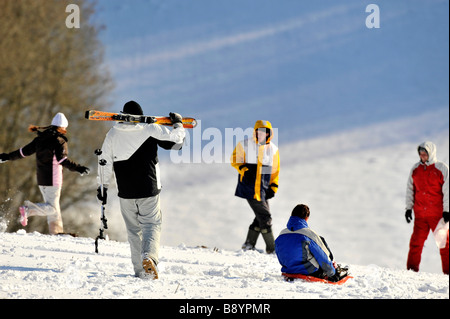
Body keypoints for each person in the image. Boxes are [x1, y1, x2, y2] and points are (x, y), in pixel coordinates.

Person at [97, 101, 185, 279]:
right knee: (151, 225)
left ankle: (140, 271)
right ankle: (149, 257)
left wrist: (103, 187)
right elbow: (177, 143)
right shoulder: (150, 130)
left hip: (126, 192)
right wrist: (178, 124)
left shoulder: (113, 134)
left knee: (133, 231)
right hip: (148, 189)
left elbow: (104, 162)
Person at [0, 113, 89, 234]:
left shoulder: (39, 139)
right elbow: (62, 160)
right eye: (65, 127)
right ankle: (29, 210)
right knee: (52, 209)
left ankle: (57, 233)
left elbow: (23, 152)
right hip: (53, 179)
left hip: (41, 179)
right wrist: (79, 168)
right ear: (61, 127)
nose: (66, 130)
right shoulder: (59, 141)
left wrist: (6, 157)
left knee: (54, 208)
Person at [230, 120, 280, 253]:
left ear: (269, 133)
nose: (261, 134)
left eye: (265, 132)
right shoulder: (245, 144)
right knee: (265, 216)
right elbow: (234, 159)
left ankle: (248, 244)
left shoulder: (273, 150)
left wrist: (273, 187)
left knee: (261, 216)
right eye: (259, 131)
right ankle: (272, 248)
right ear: (255, 132)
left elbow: (274, 171)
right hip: (249, 188)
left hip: (262, 189)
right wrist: (244, 170)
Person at [405, 141, 449, 274]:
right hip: (420, 216)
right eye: (421, 154)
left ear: (431, 154)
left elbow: (448, 190)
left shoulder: (442, 168)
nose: (422, 157)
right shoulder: (415, 169)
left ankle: (448, 274)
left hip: (437, 216)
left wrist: (447, 210)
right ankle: (411, 273)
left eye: (425, 154)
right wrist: (408, 208)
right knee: (415, 244)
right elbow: (410, 190)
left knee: (445, 245)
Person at [274, 204, 347, 282]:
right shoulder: (309, 235)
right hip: (308, 271)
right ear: (306, 218)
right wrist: (332, 274)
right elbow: (322, 256)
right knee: (320, 241)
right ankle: (334, 268)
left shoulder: (281, 234)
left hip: (288, 270)